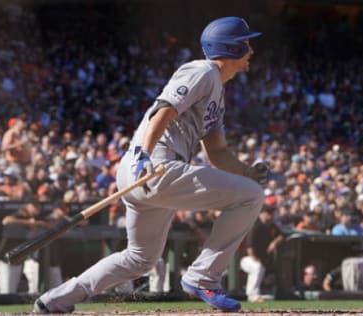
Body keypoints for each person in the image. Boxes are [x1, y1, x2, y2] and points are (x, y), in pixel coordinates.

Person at [34, 16, 267, 313]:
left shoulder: (217, 92)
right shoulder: (203, 70)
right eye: (246, 44)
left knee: (140, 258)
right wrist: (145, 153)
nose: (251, 51)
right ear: (231, 48)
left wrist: (248, 172)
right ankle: (204, 276)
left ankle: (56, 300)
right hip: (155, 165)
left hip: (146, 173)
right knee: (251, 197)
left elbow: (218, 153)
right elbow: (163, 111)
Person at [240, 205, 283, 303]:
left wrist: (274, 242)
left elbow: (281, 235)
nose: (271, 215)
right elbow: (249, 248)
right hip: (246, 259)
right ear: (262, 213)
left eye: (271, 213)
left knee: (260, 267)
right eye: (268, 213)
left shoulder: (271, 225)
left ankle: (253, 295)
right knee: (257, 267)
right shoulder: (256, 225)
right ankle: (253, 296)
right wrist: (256, 258)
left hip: (261, 259)